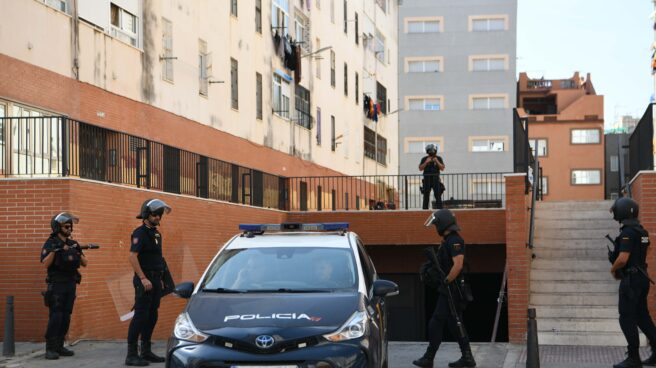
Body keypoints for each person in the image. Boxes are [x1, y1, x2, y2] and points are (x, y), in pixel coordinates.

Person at [414, 209, 476, 368]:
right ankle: (467, 358)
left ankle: (429, 358)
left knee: (436, 323)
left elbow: (458, 265)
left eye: (437, 224)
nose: (436, 228)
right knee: (455, 324)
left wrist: (446, 281)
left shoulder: (455, 240)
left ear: (443, 224)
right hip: (450, 288)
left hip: (452, 289)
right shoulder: (448, 240)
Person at [609, 197, 656, 368]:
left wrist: (613, 269)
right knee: (643, 316)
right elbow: (647, 247)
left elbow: (622, 259)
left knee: (626, 318)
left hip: (631, 280)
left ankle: (633, 358)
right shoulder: (642, 231)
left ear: (622, 211)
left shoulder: (628, 232)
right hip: (642, 277)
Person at [125, 199, 172, 366]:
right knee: (140, 316)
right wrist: (143, 278)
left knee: (152, 315)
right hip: (144, 280)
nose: (158, 217)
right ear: (146, 214)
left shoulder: (156, 233)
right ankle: (131, 354)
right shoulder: (140, 233)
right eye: (155, 214)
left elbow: (157, 258)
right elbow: (132, 256)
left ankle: (145, 351)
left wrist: (162, 279)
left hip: (155, 279)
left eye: (160, 215)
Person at [40, 212, 87, 360]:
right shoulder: (51, 243)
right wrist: (56, 250)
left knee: (66, 316)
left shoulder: (73, 243)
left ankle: (60, 346)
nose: (69, 229)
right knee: (56, 316)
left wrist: (75, 252)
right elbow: (45, 263)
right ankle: (50, 348)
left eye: (70, 226)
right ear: (57, 227)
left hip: (70, 283)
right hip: (57, 285)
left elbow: (85, 263)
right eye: (66, 226)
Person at [419, 144, 445, 210]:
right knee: (426, 196)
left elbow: (442, 168)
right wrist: (426, 162)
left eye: (433, 150)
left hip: (436, 179)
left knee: (438, 196)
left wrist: (436, 161)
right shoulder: (424, 159)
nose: (431, 152)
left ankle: (440, 210)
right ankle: (425, 210)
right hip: (426, 179)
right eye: (430, 150)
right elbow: (420, 168)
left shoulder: (439, 158)